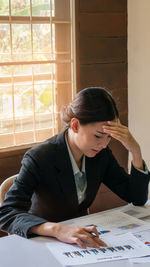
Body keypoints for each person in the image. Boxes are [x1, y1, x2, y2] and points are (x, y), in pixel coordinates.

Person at [0, 87, 149, 249]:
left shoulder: (100, 154)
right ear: (75, 125)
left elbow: (137, 198)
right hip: (43, 241)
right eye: (98, 136)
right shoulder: (40, 157)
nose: (104, 144)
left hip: (80, 241)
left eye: (109, 137)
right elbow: (7, 213)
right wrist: (57, 229)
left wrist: (135, 150)